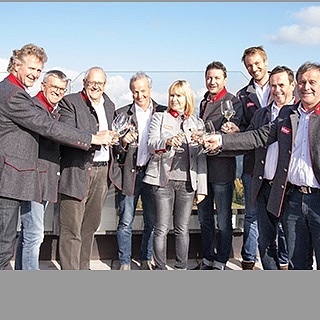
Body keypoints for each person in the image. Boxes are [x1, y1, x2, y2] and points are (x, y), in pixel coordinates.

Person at [0, 44, 114, 270]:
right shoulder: (14, 95)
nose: (34, 73)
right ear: (16, 65)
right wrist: (92, 138)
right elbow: (48, 127)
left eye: (38, 70)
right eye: (31, 68)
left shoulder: (16, 92)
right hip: (10, 178)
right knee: (6, 246)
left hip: (16, 179)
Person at [203, 62, 320, 270]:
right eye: (303, 82)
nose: (306, 87)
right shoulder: (289, 115)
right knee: (297, 261)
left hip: (314, 199)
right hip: (293, 197)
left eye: (312, 82)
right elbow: (257, 137)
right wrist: (221, 140)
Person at [222, 66, 296, 269]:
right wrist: (220, 143)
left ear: (292, 85)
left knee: (293, 244)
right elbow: (250, 141)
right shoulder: (262, 115)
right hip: (263, 186)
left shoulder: (299, 115)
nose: (277, 89)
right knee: (265, 243)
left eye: (282, 85)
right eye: (273, 85)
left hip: (291, 189)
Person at [57, 67, 121, 270]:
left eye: (100, 83)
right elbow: (66, 134)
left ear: (105, 85)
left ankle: (83, 268)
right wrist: (95, 138)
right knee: (71, 228)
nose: (96, 86)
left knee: (90, 225)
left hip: (102, 172)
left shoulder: (109, 104)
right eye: (92, 82)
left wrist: (120, 138)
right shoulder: (70, 102)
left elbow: (112, 134)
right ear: (84, 82)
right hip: (77, 170)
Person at [143, 80, 207, 270]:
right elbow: (151, 145)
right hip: (163, 181)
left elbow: (201, 158)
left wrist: (201, 188)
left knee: (182, 229)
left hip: (188, 183)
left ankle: (181, 268)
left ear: (187, 98)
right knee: (161, 228)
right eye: (172, 95)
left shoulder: (196, 122)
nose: (174, 99)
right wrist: (168, 142)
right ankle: (160, 268)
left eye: (179, 95)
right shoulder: (159, 117)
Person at [15, 70, 69, 270]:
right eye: (54, 87)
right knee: (35, 235)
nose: (57, 91)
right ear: (43, 85)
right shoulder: (36, 108)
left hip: (44, 180)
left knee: (28, 232)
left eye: (61, 89)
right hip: (34, 180)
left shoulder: (53, 109)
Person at [114, 71, 166, 270]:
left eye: (143, 91)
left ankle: (146, 259)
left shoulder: (162, 112)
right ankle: (125, 262)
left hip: (153, 175)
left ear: (150, 90)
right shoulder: (122, 114)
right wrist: (123, 142)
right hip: (131, 174)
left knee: (151, 221)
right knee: (125, 221)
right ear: (131, 92)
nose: (140, 96)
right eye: (135, 92)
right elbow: (114, 148)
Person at [194, 61, 242, 270]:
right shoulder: (204, 102)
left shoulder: (233, 102)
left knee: (223, 221)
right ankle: (207, 258)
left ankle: (221, 260)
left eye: (216, 78)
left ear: (225, 79)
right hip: (204, 170)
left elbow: (238, 135)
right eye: (209, 78)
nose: (212, 81)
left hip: (222, 169)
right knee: (204, 219)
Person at [236, 46, 272, 270]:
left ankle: (282, 260)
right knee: (251, 214)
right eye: (249, 65)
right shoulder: (242, 94)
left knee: (279, 214)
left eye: (257, 63)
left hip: (279, 162)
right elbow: (243, 127)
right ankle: (249, 259)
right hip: (252, 163)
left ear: (265, 61)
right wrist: (234, 131)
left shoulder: (281, 85)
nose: (254, 68)